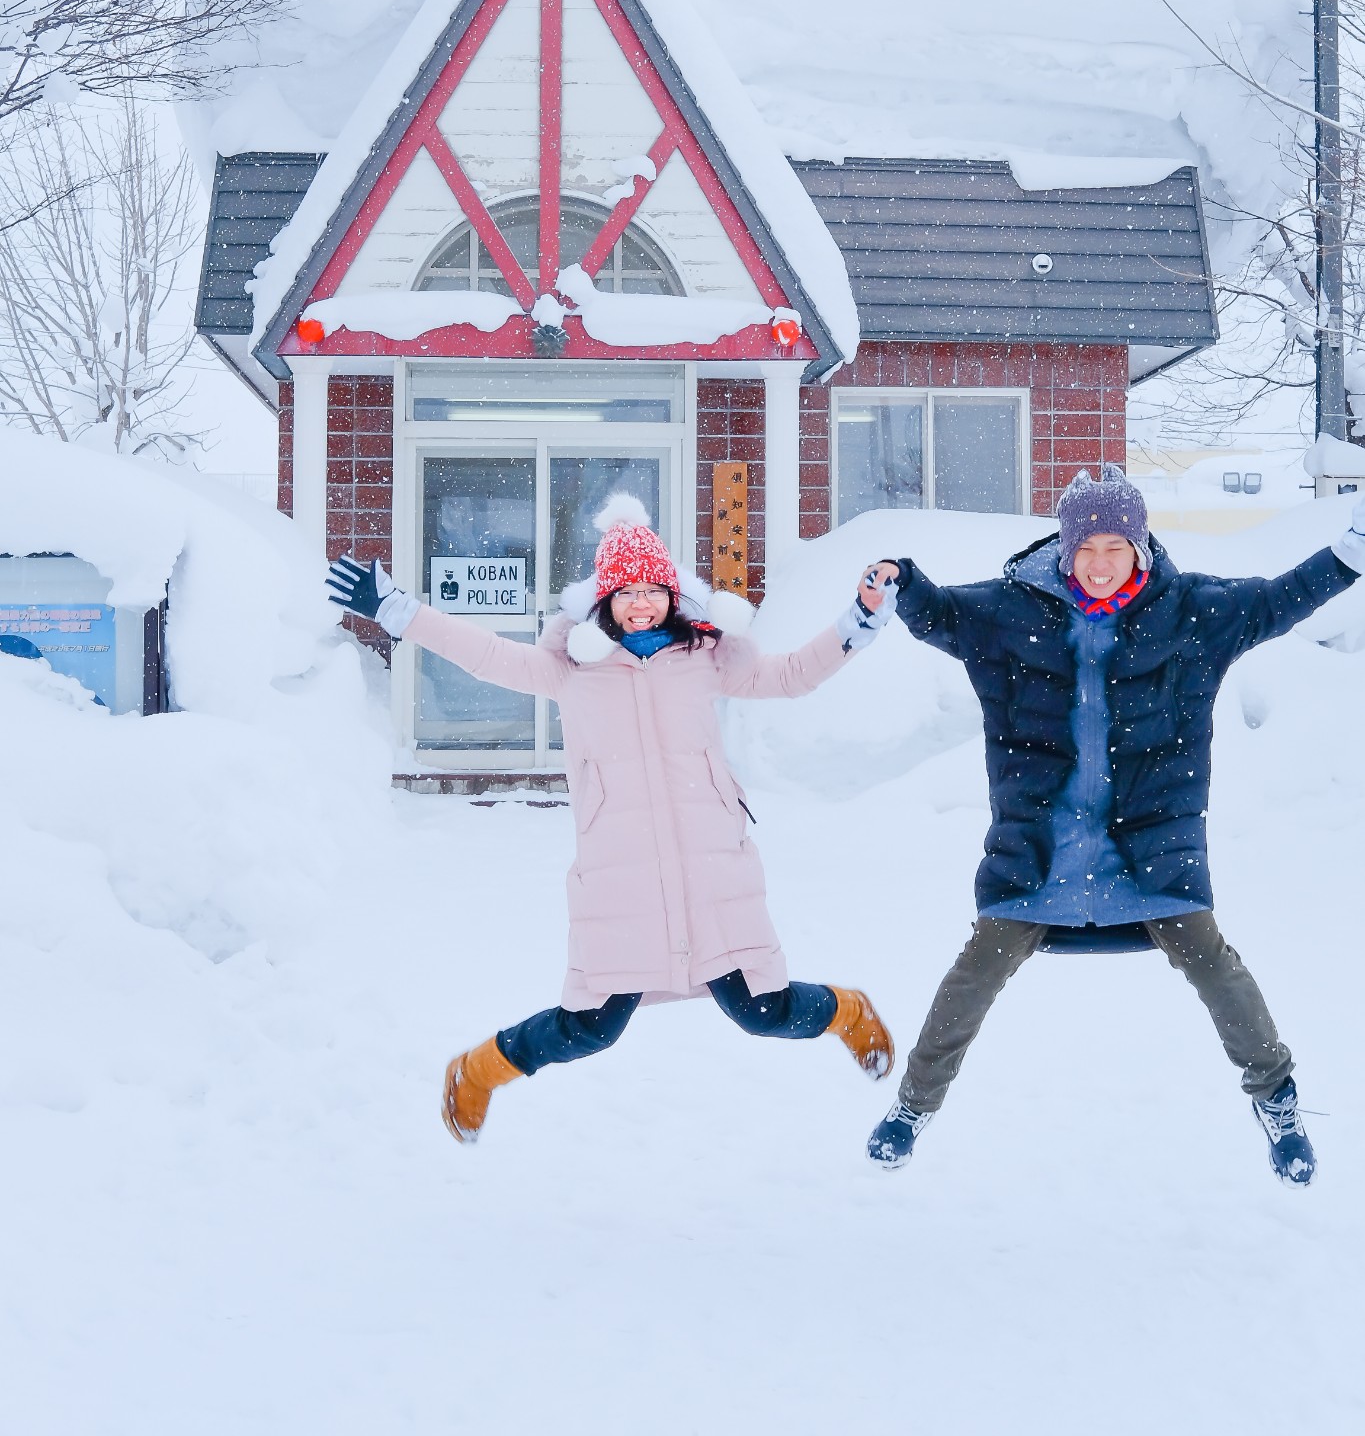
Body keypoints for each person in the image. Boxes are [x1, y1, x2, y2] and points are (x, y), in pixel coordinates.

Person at [327, 495, 900, 1144]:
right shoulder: (570, 671)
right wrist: (402, 611)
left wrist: (858, 620)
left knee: (762, 1011)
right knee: (590, 1025)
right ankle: (478, 1071)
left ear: (670, 594)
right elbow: (485, 654)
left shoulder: (707, 660)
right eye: (625, 593)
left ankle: (847, 1012)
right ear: (603, 600)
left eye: (652, 590)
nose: (640, 604)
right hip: (621, 877)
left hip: (713, 870)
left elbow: (794, 674)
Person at [860, 464, 1365, 1186]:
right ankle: (912, 1108)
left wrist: (1350, 549)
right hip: (1036, 849)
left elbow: (1281, 600)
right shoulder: (1011, 614)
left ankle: (1276, 1101)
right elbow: (938, 612)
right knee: (974, 974)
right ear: (1064, 551)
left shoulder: (1189, 611)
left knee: (1213, 966)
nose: (1099, 564)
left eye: (1114, 548)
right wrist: (899, 580)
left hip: (1154, 845)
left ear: (1140, 550)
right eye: (1085, 548)